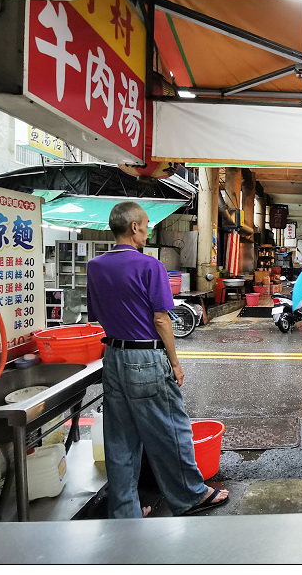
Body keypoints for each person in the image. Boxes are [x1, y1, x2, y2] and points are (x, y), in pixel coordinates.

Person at [87, 202, 229, 518]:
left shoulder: (95, 266)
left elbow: (97, 316)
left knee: (120, 438)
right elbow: (162, 319)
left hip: (112, 356)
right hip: (145, 358)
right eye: (147, 223)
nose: (149, 229)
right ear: (134, 227)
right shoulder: (149, 266)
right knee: (171, 429)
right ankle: (191, 495)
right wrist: (175, 362)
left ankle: (125, 511)